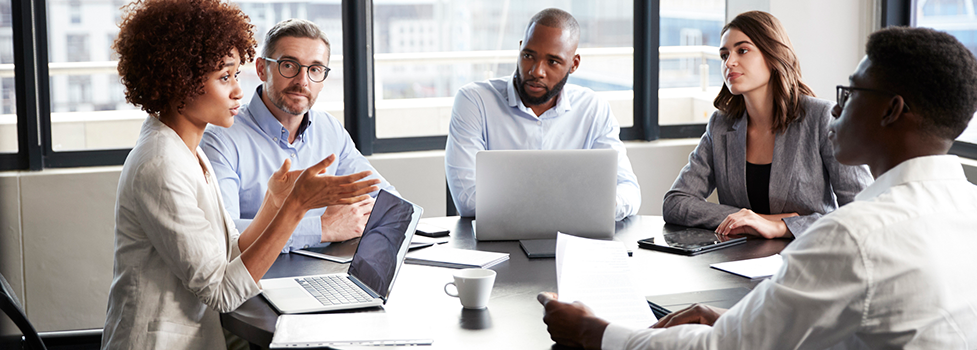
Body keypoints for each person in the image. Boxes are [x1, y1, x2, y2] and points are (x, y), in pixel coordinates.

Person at [537, 26, 977, 349]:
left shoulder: (852, 236)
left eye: (851, 93)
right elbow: (866, 324)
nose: (839, 108)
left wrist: (593, 332)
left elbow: (722, 349)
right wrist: (736, 319)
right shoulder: (970, 207)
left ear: (891, 111)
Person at [102, 1, 379, 348]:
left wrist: (273, 204)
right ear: (179, 81)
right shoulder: (160, 166)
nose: (237, 90)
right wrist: (294, 208)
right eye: (224, 77)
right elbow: (222, 292)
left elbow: (229, 250)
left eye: (235, 75)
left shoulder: (188, 151)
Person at [662, 11, 872, 239]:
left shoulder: (821, 117)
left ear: (773, 54)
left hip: (808, 260)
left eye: (742, 50)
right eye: (724, 55)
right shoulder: (720, 125)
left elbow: (863, 213)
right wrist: (752, 219)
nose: (729, 62)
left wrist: (782, 226)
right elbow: (675, 203)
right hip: (737, 263)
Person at [201, 19, 396, 253]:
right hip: (254, 281)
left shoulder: (329, 129)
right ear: (262, 69)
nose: (302, 81)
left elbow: (386, 200)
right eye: (289, 65)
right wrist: (322, 229)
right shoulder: (220, 138)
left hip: (324, 273)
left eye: (314, 69)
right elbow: (224, 235)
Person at [444, 8, 641, 221]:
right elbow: (468, 200)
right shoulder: (475, 101)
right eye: (528, 56)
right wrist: (581, 205)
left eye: (553, 61)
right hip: (497, 245)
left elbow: (628, 190)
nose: (537, 71)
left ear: (573, 64)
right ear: (520, 49)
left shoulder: (593, 108)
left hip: (573, 242)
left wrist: (608, 205)